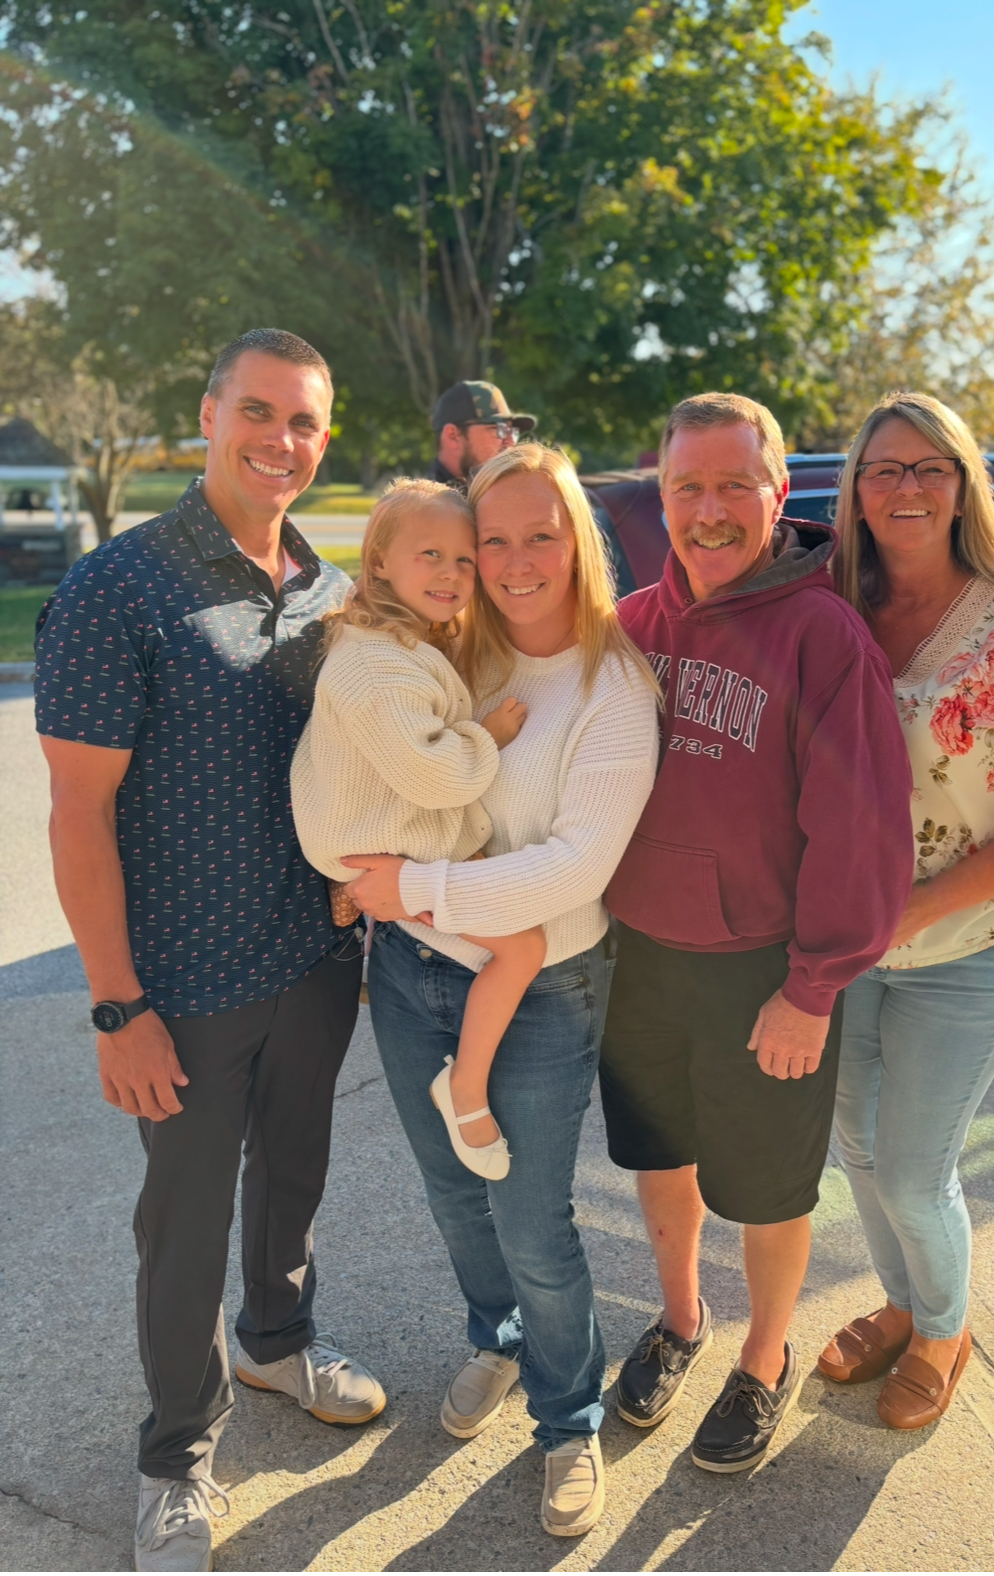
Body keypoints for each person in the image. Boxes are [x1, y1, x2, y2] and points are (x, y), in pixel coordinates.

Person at [35, 328, 385, 1574]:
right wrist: (114, 1005)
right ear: (208, 414)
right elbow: (77, 815)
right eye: (258, 412)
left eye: (304, 422)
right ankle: (176, 1454)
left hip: (314, 960)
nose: (280, 440)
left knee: (295, 1174)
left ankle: (278, 1340)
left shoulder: (332, 593)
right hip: (179, 986)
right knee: (182, 1226)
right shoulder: (118, 589)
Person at [340, 444, 660, 1537]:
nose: (516, 561)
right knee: (450, 1188)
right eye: (494, 540)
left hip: (544, 982)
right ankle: (500, 1339)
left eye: (541, 536)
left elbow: (574, 868)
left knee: (531, 1218)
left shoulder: (614, 686)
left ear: (578, 543)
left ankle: (569, 1420)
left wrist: (410, 886)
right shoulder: (445, 650)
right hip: (412, 967)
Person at [600, 392, 914, 1473]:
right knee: (660, 1158)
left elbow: (862, 831)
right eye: (687, 486)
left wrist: (813, 987)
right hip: (640, 959)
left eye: (736, 484)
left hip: (763, 975)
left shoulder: (823, 635)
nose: (710, 510)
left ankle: (764, 1356)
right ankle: (680, 1319)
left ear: (779, 493)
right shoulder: (632, 627)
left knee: (768, 1190)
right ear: (660, 497)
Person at [819, 391, 994, 1428]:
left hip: (969, 946)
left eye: (930, 466)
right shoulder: (829, 607)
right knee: (855, 1148)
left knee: (912, 1169)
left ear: (963, 484)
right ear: (856, 490)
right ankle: (901, 1304)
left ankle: (944, 1329)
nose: (907, 486)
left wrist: (919, 907)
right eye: (884, 468)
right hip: (840, 946)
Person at [291, 478, 547, 1179]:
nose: (450, 573)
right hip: (389, 850)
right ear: (378, 561)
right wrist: (488, 736)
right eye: (429, 554)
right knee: (523, 948)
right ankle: (464, 1089)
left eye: (464, 559)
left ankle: (375, 921)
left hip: (379, 838)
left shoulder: (393, 642)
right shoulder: (377, 666)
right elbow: (438, 777)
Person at [430, 380, 536, 490]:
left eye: (512, 431)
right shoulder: (423, 499)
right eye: (498, 429)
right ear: (453, 436)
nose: (511, 441)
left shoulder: (504, 492)